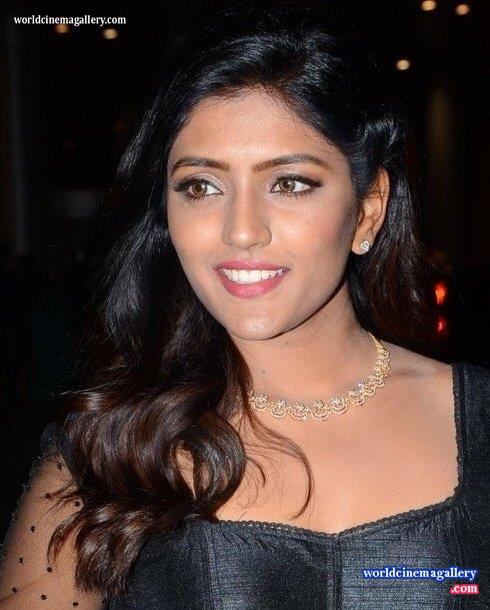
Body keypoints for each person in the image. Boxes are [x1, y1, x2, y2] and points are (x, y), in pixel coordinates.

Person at [1, 4, 489, 608]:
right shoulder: (103, 455)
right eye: (201, 186)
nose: (241, 231)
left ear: (368, 210)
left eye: (289, 183)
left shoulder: (479, 420)